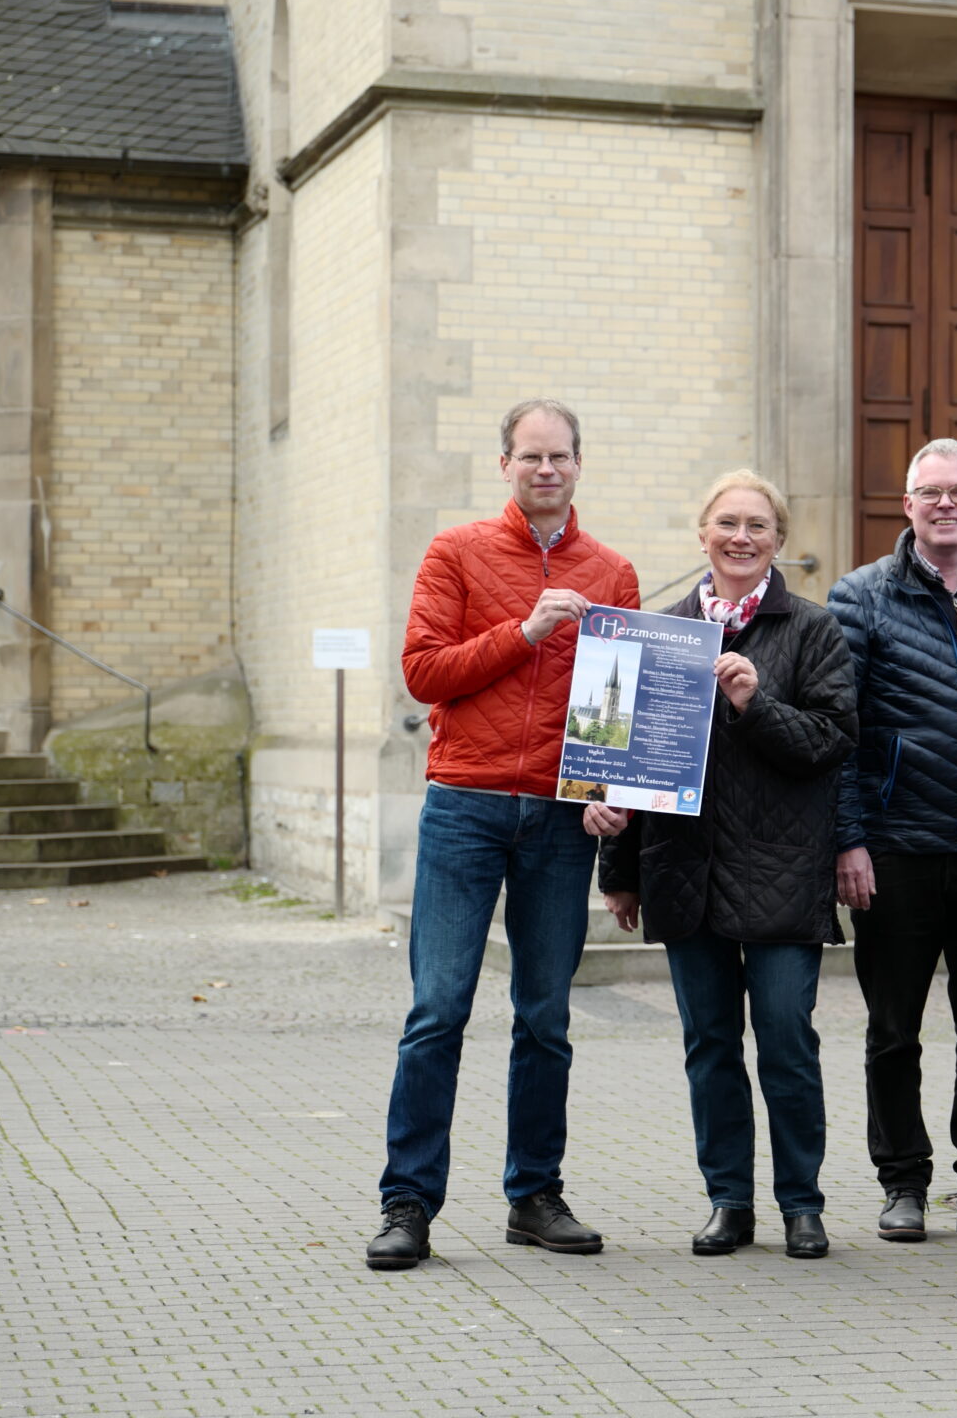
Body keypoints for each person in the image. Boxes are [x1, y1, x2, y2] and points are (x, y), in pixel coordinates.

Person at [368, 399, 641, 1271]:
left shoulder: (614, 572)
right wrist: (524, 633)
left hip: (562, 818)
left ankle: (534, 1195)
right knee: (437, 1009)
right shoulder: (457, 552)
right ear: (505, 465)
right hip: (465, 803)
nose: (546, 469)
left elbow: (620, 710)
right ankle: (408, 1202)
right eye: (531, 456)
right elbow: (422, 673)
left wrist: (609, 794)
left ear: (579, 464)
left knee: (547, 1015)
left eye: (560, 456)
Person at [593, 471, 857, 1261]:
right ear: (701, 534)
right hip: (686, 869)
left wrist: (755, 704)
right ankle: (728, 1200)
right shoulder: (657, 633)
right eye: (727, 523)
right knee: (709, 1043)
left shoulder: (813, 629)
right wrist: (618, 861)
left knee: (784, 1039)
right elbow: (624, 761)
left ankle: (802, 1205)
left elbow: (832, 742)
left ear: (779, 540)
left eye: (758, 526)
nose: (742, 538)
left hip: (781, 870)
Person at [829, 438, 957, 1243]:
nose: (946, 503)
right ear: (907, 505)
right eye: (931, 492)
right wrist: (848, 842)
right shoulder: (862, 599)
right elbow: (841, 735)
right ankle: (903, 1181)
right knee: (894, 1028)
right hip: (894, 850)